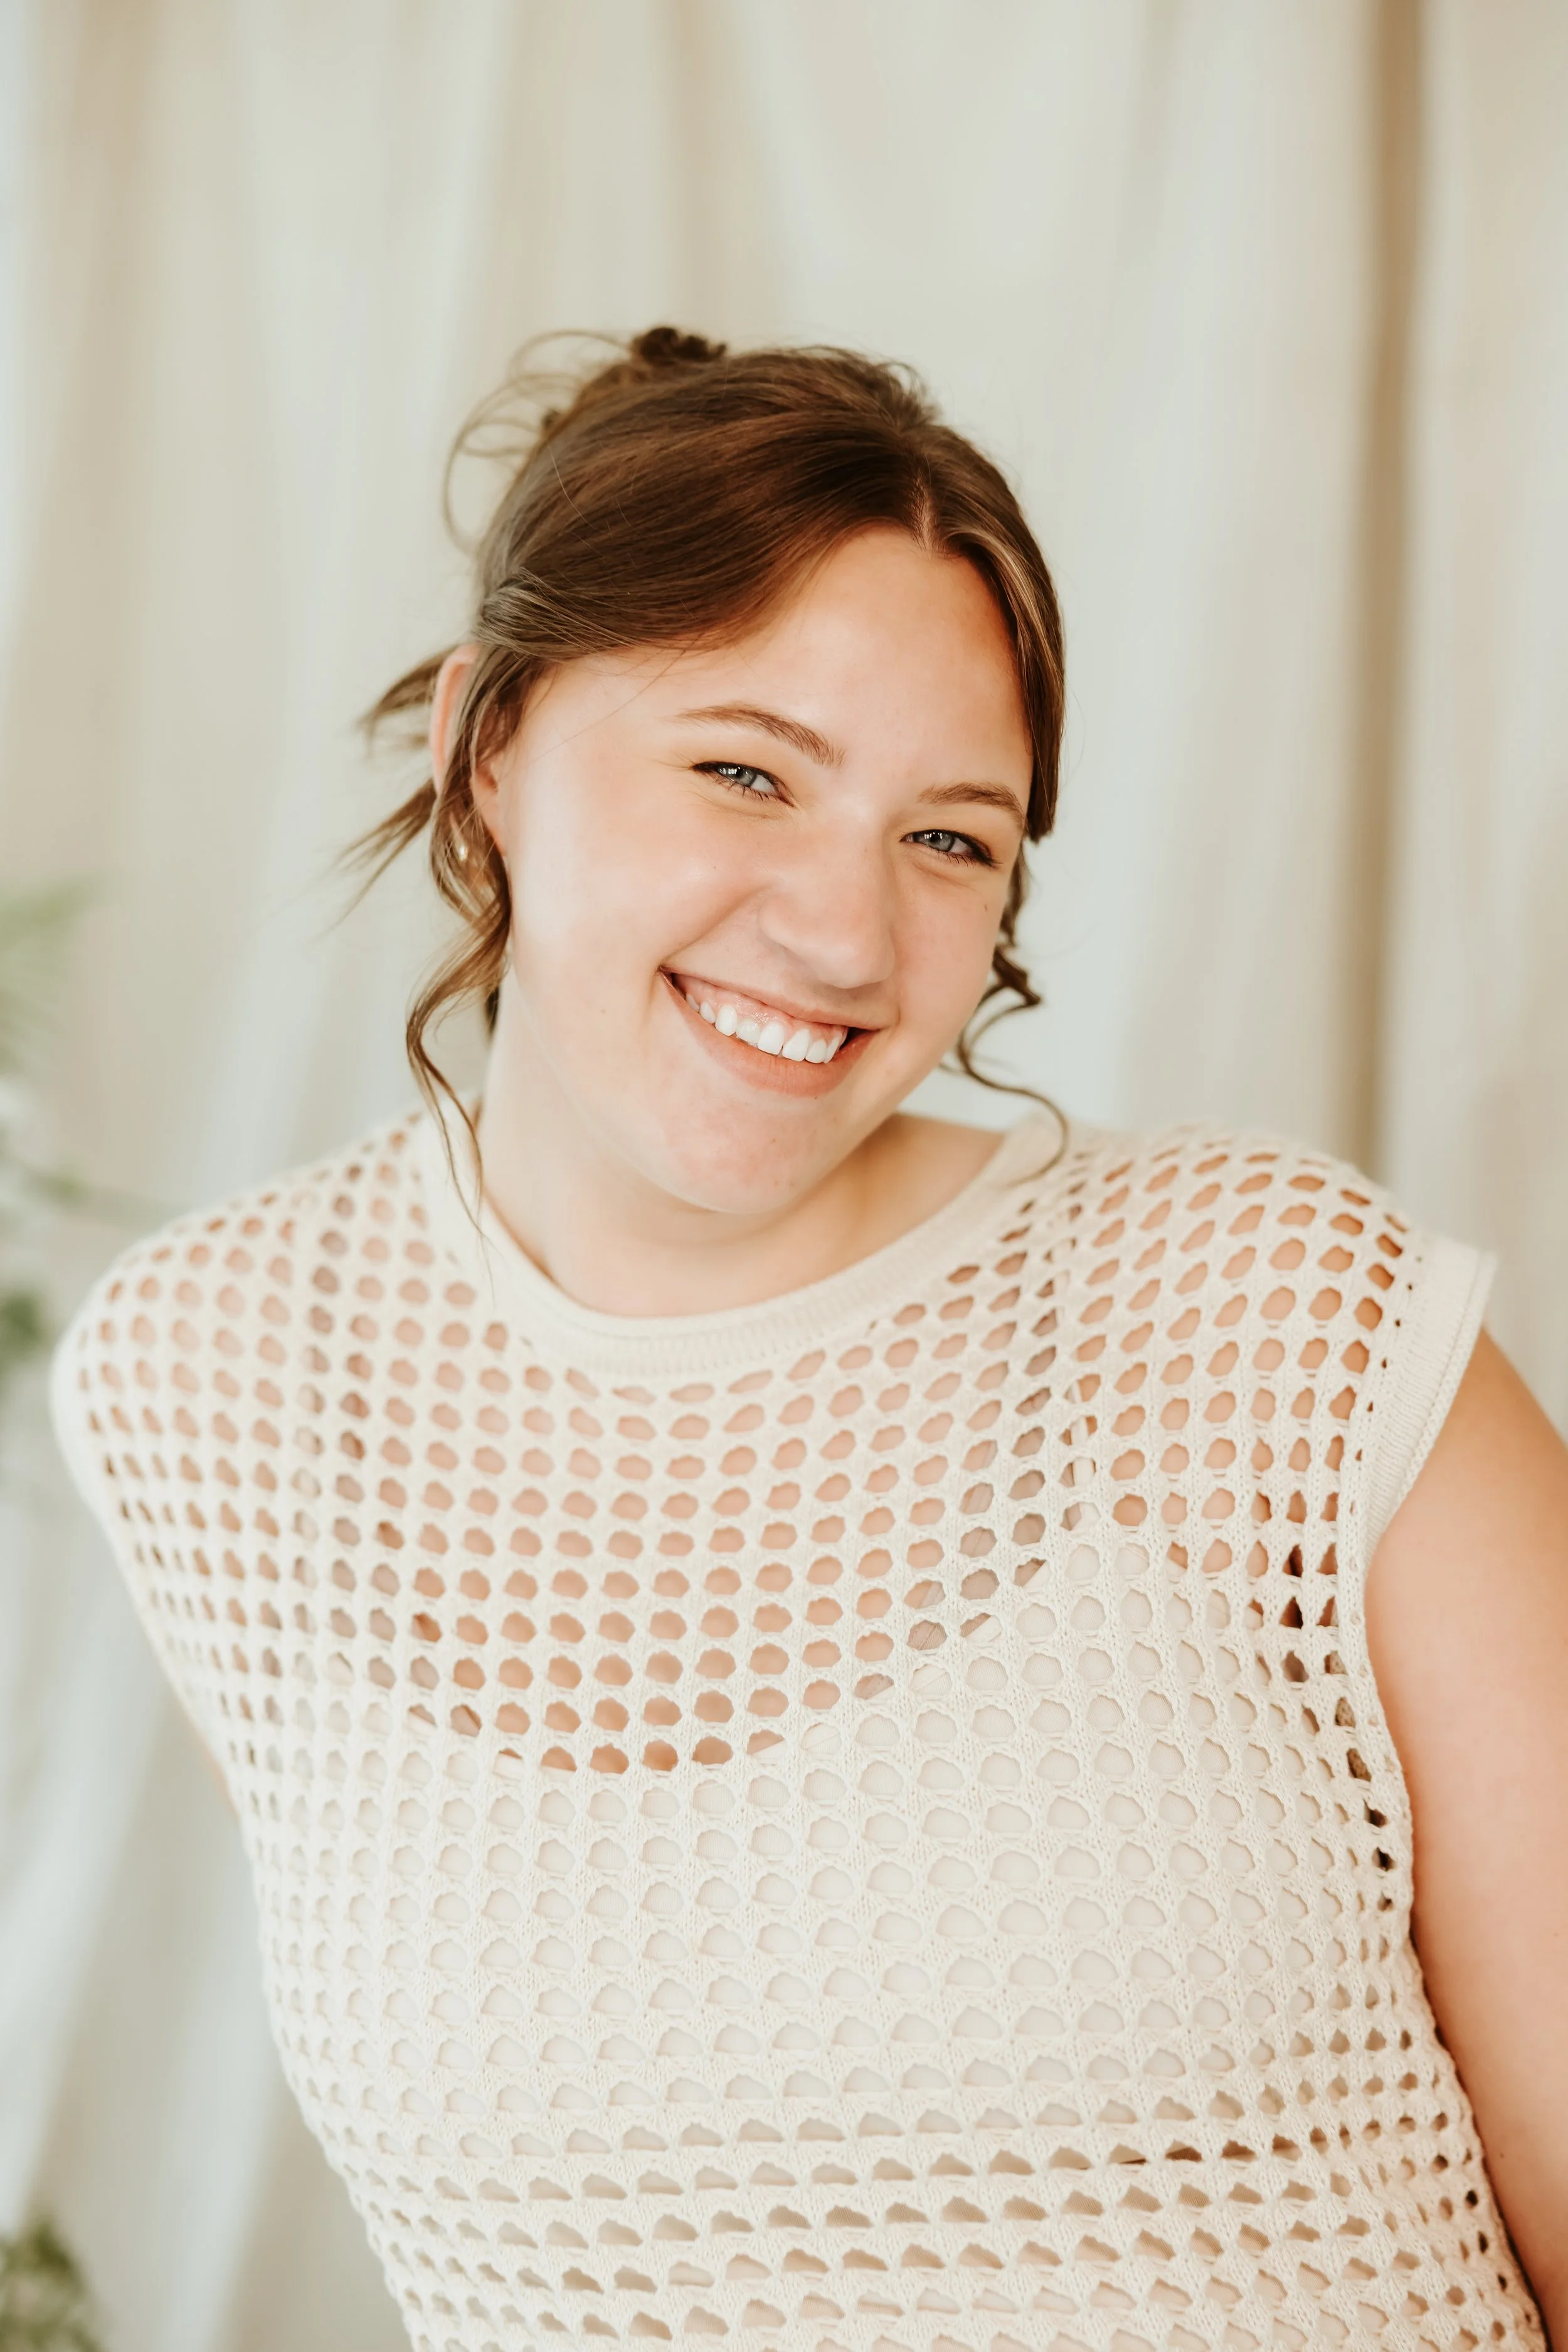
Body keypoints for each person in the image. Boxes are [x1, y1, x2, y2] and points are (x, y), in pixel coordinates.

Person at [50, 329, 1567, 2352]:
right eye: (744, 770)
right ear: (483, 749)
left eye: (950, 836)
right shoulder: (212, 1385)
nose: (847, 938)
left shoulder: (1277, 1322)